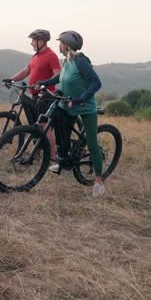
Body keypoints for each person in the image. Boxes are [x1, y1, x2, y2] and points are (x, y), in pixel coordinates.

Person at [36, 30, 106, 197]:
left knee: (92, 142)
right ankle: (64, 162)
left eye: (60, 43)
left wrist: (82, 99)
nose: (58, 45)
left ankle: (98, 181)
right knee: (59, 129)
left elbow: (96, 82)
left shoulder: (81, 62)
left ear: (67, 46)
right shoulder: (66, 61)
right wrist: (43, 83)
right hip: (67, 104)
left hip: (85, 107)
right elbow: (60, 79)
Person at [2, 29, 61, 154]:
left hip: (46, 96)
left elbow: (58, 74)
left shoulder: (51, 55)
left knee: (45, 126)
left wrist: (45, 85)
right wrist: (11, 79)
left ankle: (52, 157)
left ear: (42, 41)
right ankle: (37, 153)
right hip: (34, 95)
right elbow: (25, 71)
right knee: (35, 125)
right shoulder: (36, 56)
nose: (32, 43)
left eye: (34, 40)